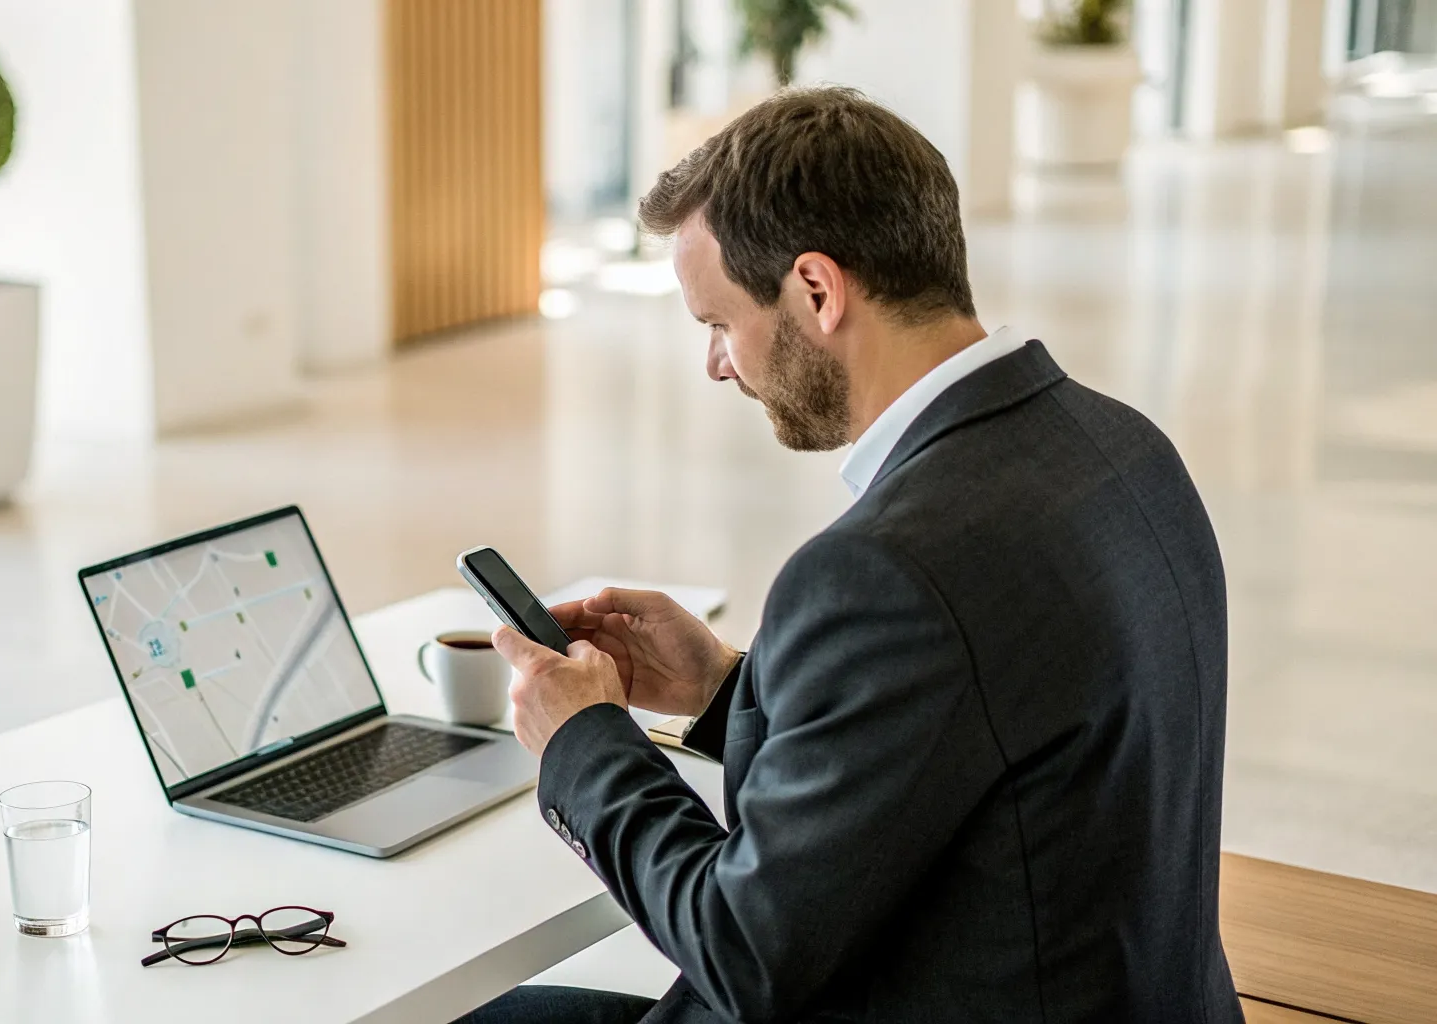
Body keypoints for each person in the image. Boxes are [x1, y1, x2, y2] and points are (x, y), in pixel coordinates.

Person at [460, 88, 1243, 1023]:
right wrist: (725, 687)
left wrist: (583, 740)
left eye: (719, 323)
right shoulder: (1125, 446)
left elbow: (745, 953)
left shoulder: (885, 569)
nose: (717, 364)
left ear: (817, 291)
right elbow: (968, 727)